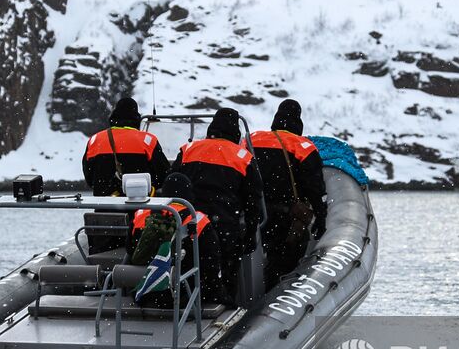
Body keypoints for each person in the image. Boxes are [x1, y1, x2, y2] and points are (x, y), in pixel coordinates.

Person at [170, 107, 262, 305]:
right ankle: (223, 310)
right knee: (225, 278)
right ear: (236, 130)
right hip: (224, 228)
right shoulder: (243, 157)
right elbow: (253, 202)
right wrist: (250, 235)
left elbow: (172, 186)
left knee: (188, 268)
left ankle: (185, 305)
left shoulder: (188, 149)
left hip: (190, 226)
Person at [251, 99, 327, 285]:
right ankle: (277, 291)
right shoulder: (303, 147)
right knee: (285, 260)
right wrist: (321, 217)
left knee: (253, 255)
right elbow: (315, 188)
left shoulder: (252, 139)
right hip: (285, 216)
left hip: (254, 212)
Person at [129, 172, 214, 307]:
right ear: (189, 193)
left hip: (140, 289)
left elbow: (130, 250)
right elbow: (211, 261)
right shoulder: (198, 219)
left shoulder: (141, 214)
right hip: (180, 292)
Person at [83, 97, 169, 196]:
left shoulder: (95, 140)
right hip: (140, 203)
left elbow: (89, 177)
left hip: (103, 203)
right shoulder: (148, 141)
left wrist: (106, 187)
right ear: (136, 117)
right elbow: (164, 175)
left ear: (114, 115)